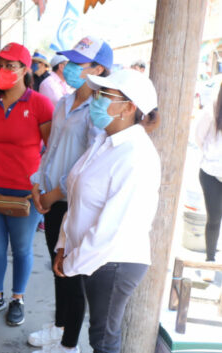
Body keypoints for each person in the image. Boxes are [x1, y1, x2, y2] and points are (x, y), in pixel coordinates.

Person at [54, 69, 161, 353]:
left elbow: (112, 228)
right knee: (101, 335)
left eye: (105, 95)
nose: (96, 100)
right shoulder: (104, 141)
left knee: (103, 339)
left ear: (128, 107)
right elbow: (78, 199)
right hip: (93, 255)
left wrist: (71, 262)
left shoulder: (136, 156)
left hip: (114, 261)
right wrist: (64, 246)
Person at [28, 36, 113, 353]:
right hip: (49, 196)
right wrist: (38, 183)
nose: (70, 67)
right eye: (70, 61)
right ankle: (60, 328)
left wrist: (55, 193)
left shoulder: (99, 112)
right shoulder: (64, 102)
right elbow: (51, 150)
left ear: (99, 69)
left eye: (80, 63)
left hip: (72, 201)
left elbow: (89, 163)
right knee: (56, 267)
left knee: (71, 272)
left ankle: (68, 345)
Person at [0, 42, 53, 326]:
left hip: (25, 195)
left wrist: (41, 186)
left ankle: (17, 298)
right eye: (0, 65)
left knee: (21, 250)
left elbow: (51, 148)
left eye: (10, 65)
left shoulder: (40, 104)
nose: (3, 70)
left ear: (24, 69)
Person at [196, 83, 222, 278]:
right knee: (214, 218)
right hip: (211, 173)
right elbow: (198, 136)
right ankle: (209, 260)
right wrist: (211, 154)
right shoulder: (211, 111)